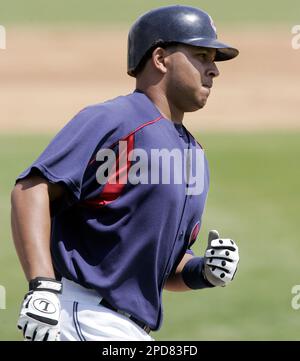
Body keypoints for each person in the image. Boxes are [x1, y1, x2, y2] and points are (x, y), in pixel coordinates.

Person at [11, 5, 240, 341]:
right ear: (160, 59)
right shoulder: (115, 120)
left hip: (128, 329)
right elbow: (31, 189)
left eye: (214, 59)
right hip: (85, 317)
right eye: (201, 55)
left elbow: (166, 265)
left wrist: (203, 271)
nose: (213, 70)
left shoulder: (194, 155)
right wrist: (42, 285)